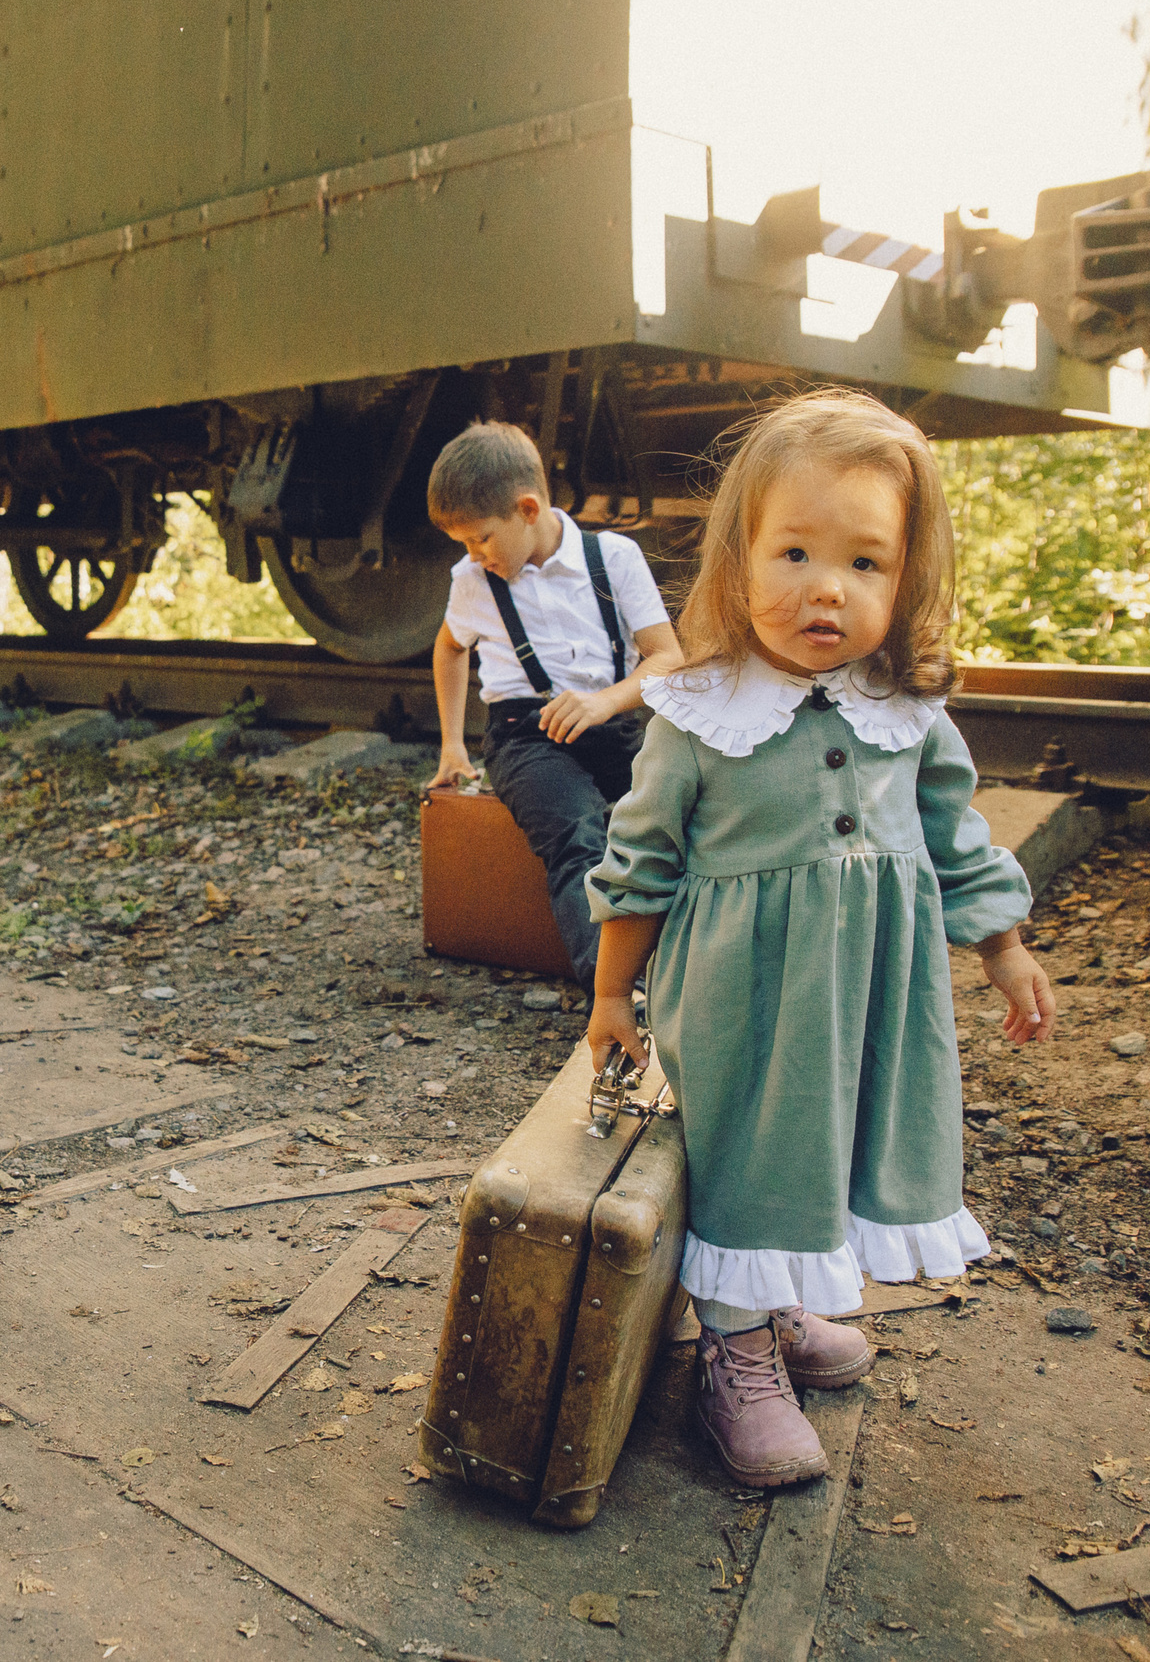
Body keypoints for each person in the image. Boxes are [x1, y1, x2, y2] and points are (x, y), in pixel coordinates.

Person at [580, 389, 1055, 1489]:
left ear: (906, 577)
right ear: (738, 558)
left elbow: (954, 835)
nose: (825, 588)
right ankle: (734, 1355)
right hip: (745, 993)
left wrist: (1002, 949)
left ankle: (781, 1301)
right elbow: (638, 863)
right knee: (749, 1147)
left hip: (871, 988)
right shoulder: (699, 710)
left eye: (865, 564)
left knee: (832, 1134)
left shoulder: (903, 707)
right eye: (792, 551)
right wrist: (613, 998)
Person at [426, 421, 682, 992]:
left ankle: (695, 965)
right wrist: (451, 744)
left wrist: (603, 703)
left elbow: (666, 658)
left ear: (528, 508)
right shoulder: (472, 581)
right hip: (524, 736)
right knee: (579, 833)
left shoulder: (612, 557)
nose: (474, 555)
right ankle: (620, 991)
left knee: (680, 823)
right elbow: (449, 648)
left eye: (482, 539)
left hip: (610, 724)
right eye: (464, 545)